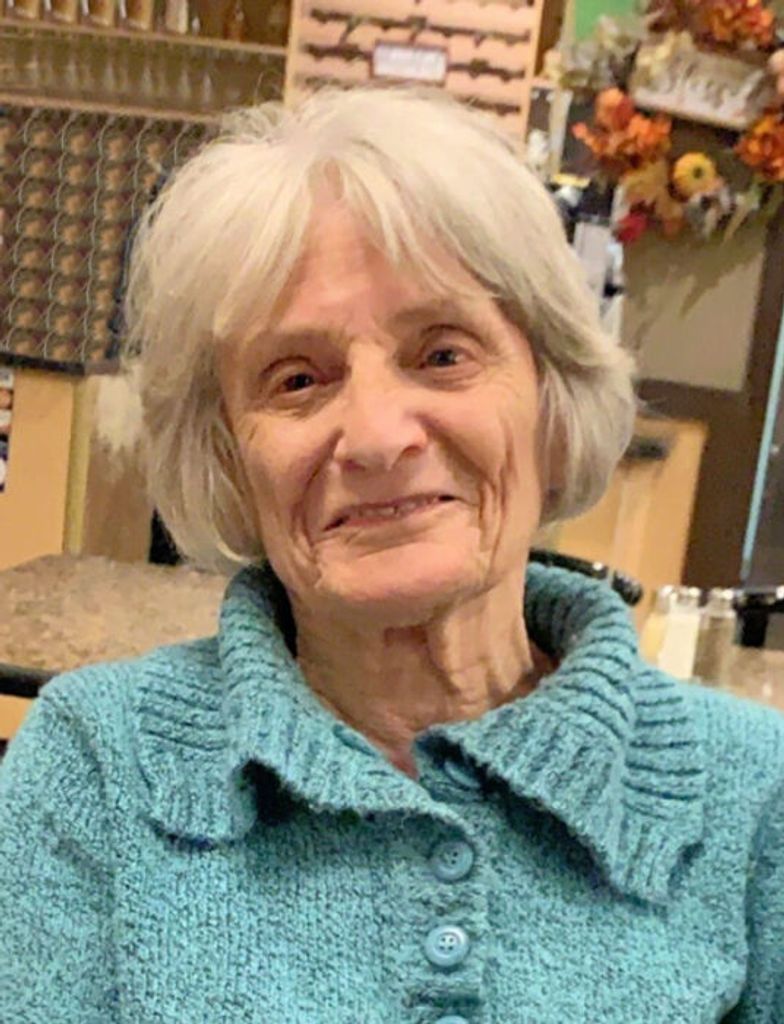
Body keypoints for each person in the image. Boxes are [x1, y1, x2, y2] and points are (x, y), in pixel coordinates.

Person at [1, 86, 782, 1024]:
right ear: (227, 457)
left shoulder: (755, 797)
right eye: (297, 379)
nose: (376, 437)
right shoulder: (95, 766)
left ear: (552, 397)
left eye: (443, 355)